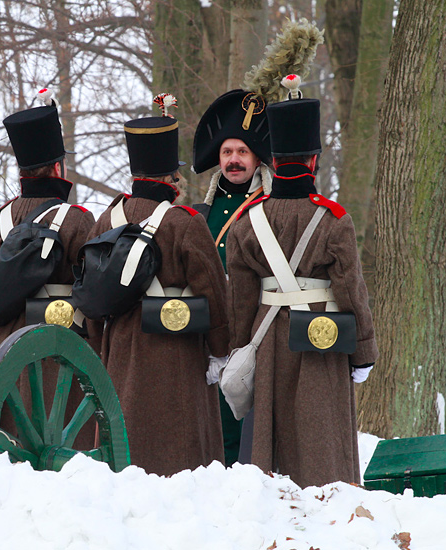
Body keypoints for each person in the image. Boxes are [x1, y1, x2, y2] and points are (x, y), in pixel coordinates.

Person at [225, 76, 378, 488]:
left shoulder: (246, 221)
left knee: (269, 454)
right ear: (313, 160)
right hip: (322, 338)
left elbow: (239, 300)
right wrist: (362, 352)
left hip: (267, 339)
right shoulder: (333, 218)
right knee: (322, 447)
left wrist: (237, 347)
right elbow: (351, 290)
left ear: (272, 159)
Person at [85, 98, 229, 476]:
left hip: (119, 352)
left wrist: (103, 349)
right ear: (171, 178)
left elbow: (90, 295)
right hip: (176, 355)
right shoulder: (186, 222)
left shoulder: (105, 219)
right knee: (181, 459)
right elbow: (212, 293)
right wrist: (220, 351)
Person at [0, 90, 95, 351]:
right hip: (60, 347)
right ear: (57, 168)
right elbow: (92, 293)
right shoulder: (77, 219)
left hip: (9, 350)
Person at [192, 89, 273, 467]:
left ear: (256, 158)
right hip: (207, 332)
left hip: (253, 328)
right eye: (227, 153)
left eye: (242, 152)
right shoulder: (201, 211)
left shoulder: (271, 207)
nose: (234, 161)